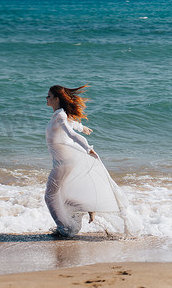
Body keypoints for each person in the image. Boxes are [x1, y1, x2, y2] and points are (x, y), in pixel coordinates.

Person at [44, 84, 140, 237]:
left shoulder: (60, 115)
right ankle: (86, 208)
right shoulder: (59, 115)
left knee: (49, 196)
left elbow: (70, 134)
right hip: (63, 162)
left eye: (48, 96)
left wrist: (88, 148)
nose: (46, 99)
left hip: (62, 164)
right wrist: (82, 127)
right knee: (62, 194)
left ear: (56, 99)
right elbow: (71, 125)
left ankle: (65, 229)